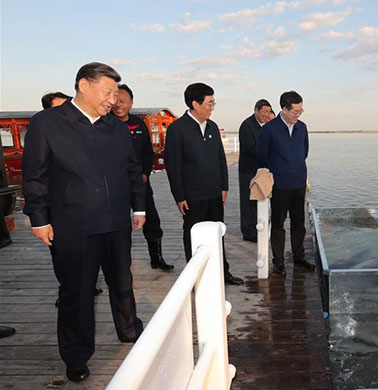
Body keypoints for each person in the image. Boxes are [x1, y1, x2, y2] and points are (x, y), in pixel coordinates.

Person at [22, 62, 146, 382]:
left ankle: (129, 329)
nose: (112, 100)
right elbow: (34, 174)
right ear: (83, 86)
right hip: (72, 225)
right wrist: (38, 218)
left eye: (116, 94)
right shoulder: (47, 123)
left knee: (122, 283)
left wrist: (139, 208)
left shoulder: (115, 127)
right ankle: (76, 356)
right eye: (107, 93)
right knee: (76, 294)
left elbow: (132, 170)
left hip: (116, 221)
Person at [165, 82, 243, 285]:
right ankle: (195, 279)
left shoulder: (212, 126)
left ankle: (222, 272)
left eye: (213, 102)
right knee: (192, 235)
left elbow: (220, 159)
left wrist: (224, 186)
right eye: (209, 103)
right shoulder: (177, 129)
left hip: (214, 193)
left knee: (218, 233)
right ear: (195, 104)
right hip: (192, 195)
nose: (212, 107)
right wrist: (179, 196)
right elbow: (173, 166)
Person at [111, 84, 173, 271]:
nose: (118, 105)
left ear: (131, 103)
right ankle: (119, 263)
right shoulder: (106, 124)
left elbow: (148, 152)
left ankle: (157, 258)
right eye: (116, 101)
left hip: (140, 182)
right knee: (117, 225)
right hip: (115, 186)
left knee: (152, 219)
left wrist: (145, 173)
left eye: (123, 101)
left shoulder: (139, 125)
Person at [257, 91, 314, 275]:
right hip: (280, 185)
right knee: (279, 224)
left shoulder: (302, 127)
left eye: (300, 111)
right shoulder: (269, 129)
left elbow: (304, 152)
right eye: (295, 111)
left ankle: (299, 256)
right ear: (284, 109)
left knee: (299, 223)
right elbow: (262, 155)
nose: (298, 115)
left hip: (298, 183)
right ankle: (278, 261)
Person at [238, 99, 274, 242]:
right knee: (248, 202)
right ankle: (248, 232)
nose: (266, 115)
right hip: (248, 170)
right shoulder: (247, 126)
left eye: (269, 112)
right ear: (256, 110)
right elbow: (251, 149)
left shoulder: (267, 126)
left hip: (262, 170)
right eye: (264, 112)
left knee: (260, 200)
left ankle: (259, 228)